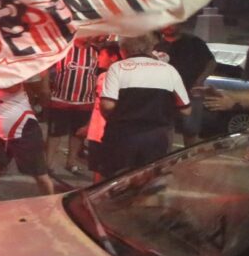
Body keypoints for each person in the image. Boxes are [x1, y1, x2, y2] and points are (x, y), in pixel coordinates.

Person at [98, 34, 190, 178]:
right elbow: (186, 110)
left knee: (115, 181)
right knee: (149, 181)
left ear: (123, 49)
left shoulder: (117, 68)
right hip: (155, 138)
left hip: (121, 136)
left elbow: (107, 105)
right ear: (150, 48)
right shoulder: (168, 70)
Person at [0, 78, 55, 203]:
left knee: (40, 174)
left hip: (24, 129)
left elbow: (12, 87)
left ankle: (51, 204)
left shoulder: (10, 78)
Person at [46, 38, 99, 175]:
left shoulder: (96, 51)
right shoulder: (64, 48)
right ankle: (47, 164)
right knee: (55, 133)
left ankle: (71, 162)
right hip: (61, 99)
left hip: (85, 101)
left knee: (78, 133)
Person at [157, 23, 214, 145]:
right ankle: (168, 160)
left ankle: (189, 159)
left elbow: (211, 63)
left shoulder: (194, 42)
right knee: (166, 129)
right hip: (166, 95)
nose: (168, 25)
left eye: (173, 22)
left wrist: (200, 81)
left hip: (190, 92)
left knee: (190, 130)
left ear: (181, 23)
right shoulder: (157, 45)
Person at [85, 43, 122, 181]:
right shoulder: (102, 76)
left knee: (104, 168)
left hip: (106, 132)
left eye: (101, 55)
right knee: (97, 168)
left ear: (113, 57)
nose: (98, 58)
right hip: (96, 131)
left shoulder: (114, 77)